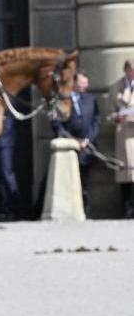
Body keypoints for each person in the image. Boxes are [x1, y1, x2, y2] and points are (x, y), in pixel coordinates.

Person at [52, 71, 100, 216]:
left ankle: (86, 211)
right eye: (82, 81)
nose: (85, 84)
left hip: (87, 147)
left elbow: (97, 121)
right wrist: (70, 140)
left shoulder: (91, 99)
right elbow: (56, 124)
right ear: (74, 82)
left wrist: (87, 140)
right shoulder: (63, 100)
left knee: (85, 182)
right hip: (70, 147)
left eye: (86, 82)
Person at [108, 59, 134, 218]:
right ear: (126, 70)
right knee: (125, 174)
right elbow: (109, 115)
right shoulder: (115, 88)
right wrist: (116, 117)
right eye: (131, 70)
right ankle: (127, 209)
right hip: (123, 135)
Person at [0, 113, 22, 221]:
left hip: (5, 141)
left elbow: (7, 123)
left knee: (6, 174)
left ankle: (14, 207)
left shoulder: (6, 101)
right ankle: (1, 209)